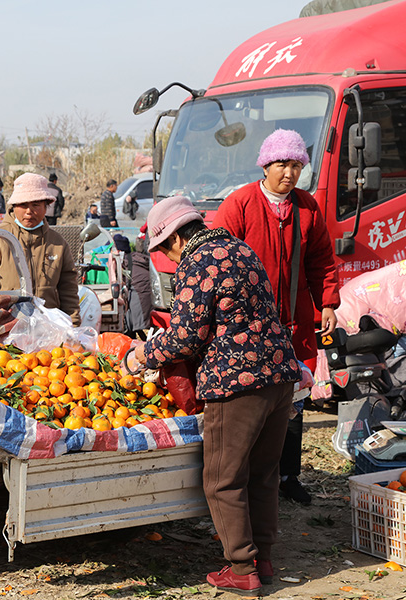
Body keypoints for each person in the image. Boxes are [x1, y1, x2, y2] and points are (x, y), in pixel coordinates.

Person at [133, 195, 301, 596]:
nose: (167, 259)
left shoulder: (197, 262)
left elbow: (186, 338)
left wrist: (141, 354)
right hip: (279, 375)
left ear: (174, 238)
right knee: (263, 474)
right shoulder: (240, 248)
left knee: (222, 479)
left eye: (163, 250)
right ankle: (263, 560)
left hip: (237, 381)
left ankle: (241, 569)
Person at [213, 129, 340, 506]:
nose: (289, 172)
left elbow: (321, 260)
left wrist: (328, 303)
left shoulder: (307, 207)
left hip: (295, 320)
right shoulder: (240, 204)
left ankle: (288, 476)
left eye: (296, 165)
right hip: (248, 325)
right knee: (254, 400)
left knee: (295, 398)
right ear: (266, 165)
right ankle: (251, 478)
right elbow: (219, 261)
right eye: (282, 164)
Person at [0, 172, 80, 324]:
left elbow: (68, 290)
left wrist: (74, 326)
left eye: (36, 205)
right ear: (14, 207)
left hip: (48, 327)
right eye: (23, 205)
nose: (29, 211)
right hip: (6, 328)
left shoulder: (58, 243)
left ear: (46, 207)